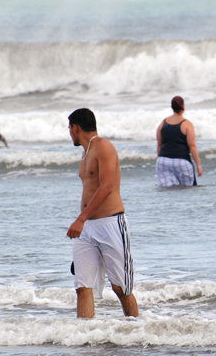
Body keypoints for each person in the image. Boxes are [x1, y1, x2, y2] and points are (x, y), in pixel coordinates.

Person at [66, 108, 138, 318]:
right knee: (82, 286)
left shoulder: (104, 147)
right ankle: (85, 336)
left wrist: (80, 218)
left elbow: (106, 188)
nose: (69, 133)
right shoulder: (85, 153)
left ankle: (135, 332)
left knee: (121, 288)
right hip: (87, 229)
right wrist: (84, 221)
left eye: (69, 129)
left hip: (111, 225)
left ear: (75, 127)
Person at [155, 96, 203, 186]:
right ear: (183, 106)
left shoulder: (162, 123)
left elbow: (159, 145)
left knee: (168, 192)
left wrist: (161, 160)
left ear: (171, 107)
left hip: (163, 161)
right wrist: (199, 165)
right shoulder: (187, 124)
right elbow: (192, 145)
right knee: (187, 191)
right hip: (182, 162)